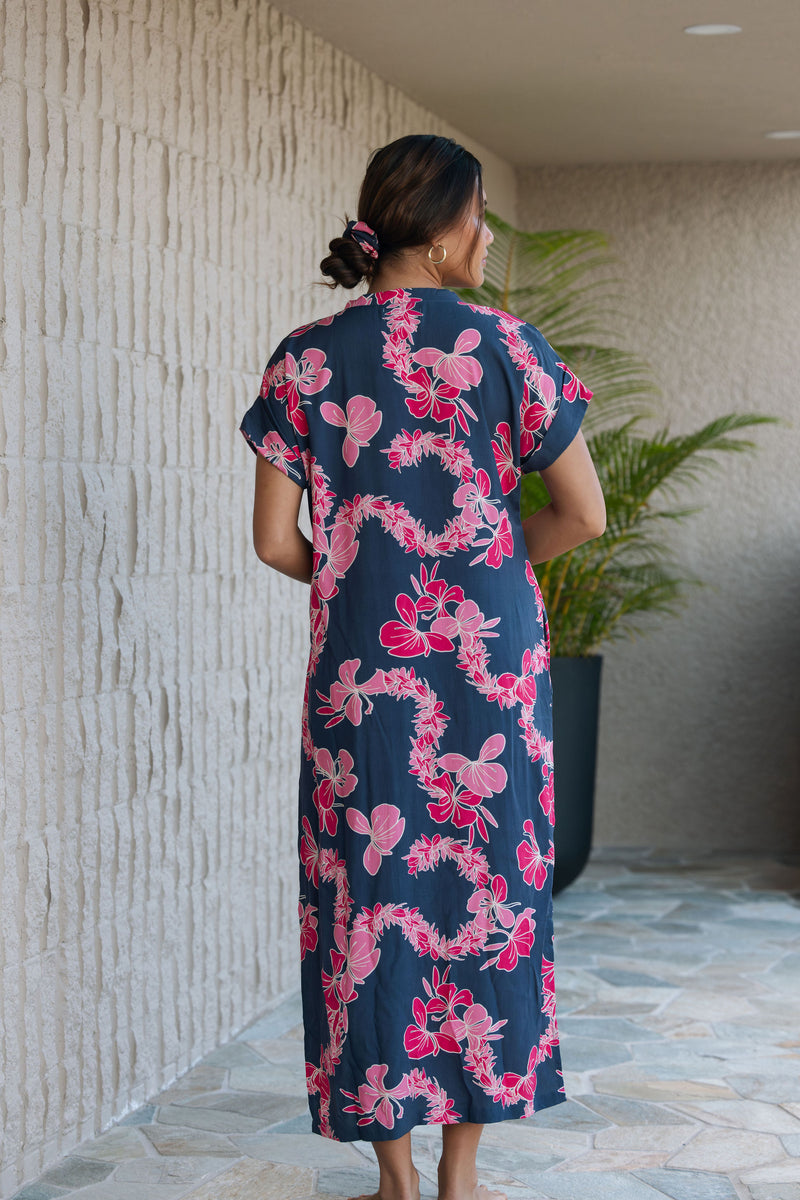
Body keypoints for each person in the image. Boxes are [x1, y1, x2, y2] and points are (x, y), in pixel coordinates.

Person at [239, 134, 606, 1200]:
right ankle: (461, 1177)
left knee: (369, 892)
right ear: (444, 231)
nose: (485, 234)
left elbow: (273, 542)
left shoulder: (305, 356)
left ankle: (391, 1176)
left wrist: (363, 582)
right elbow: (579, 512)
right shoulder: (508, 346)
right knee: (486, 891)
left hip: (365, 673)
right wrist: (475, 569)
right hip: (489, 667)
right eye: (479, 216)